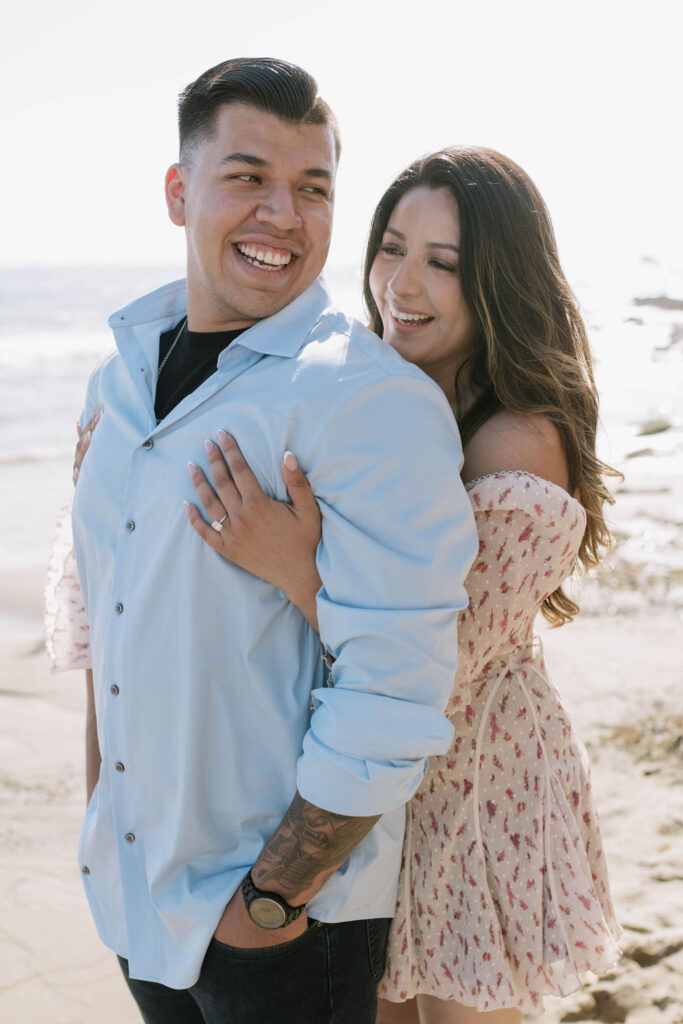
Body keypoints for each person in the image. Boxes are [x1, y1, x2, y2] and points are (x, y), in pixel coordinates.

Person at [49, 59, 478, 1024]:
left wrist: (273, 899)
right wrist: (101, 825)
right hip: (138, 894)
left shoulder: (365, 399)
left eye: (313, 188)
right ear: (178, 191)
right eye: (248, 177)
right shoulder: (115, 384)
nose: (282, 213)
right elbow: (111, 616)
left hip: (283, 929)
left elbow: (398, 684)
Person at [173, 146, 623, 1021]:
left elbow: (433, 664)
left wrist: (292, 565)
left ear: (499, 281)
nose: (400, 284)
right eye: (391, 247)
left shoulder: (514, 443)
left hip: (474, 785)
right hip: (375, 779)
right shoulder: (382, 398)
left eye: (442, 263)